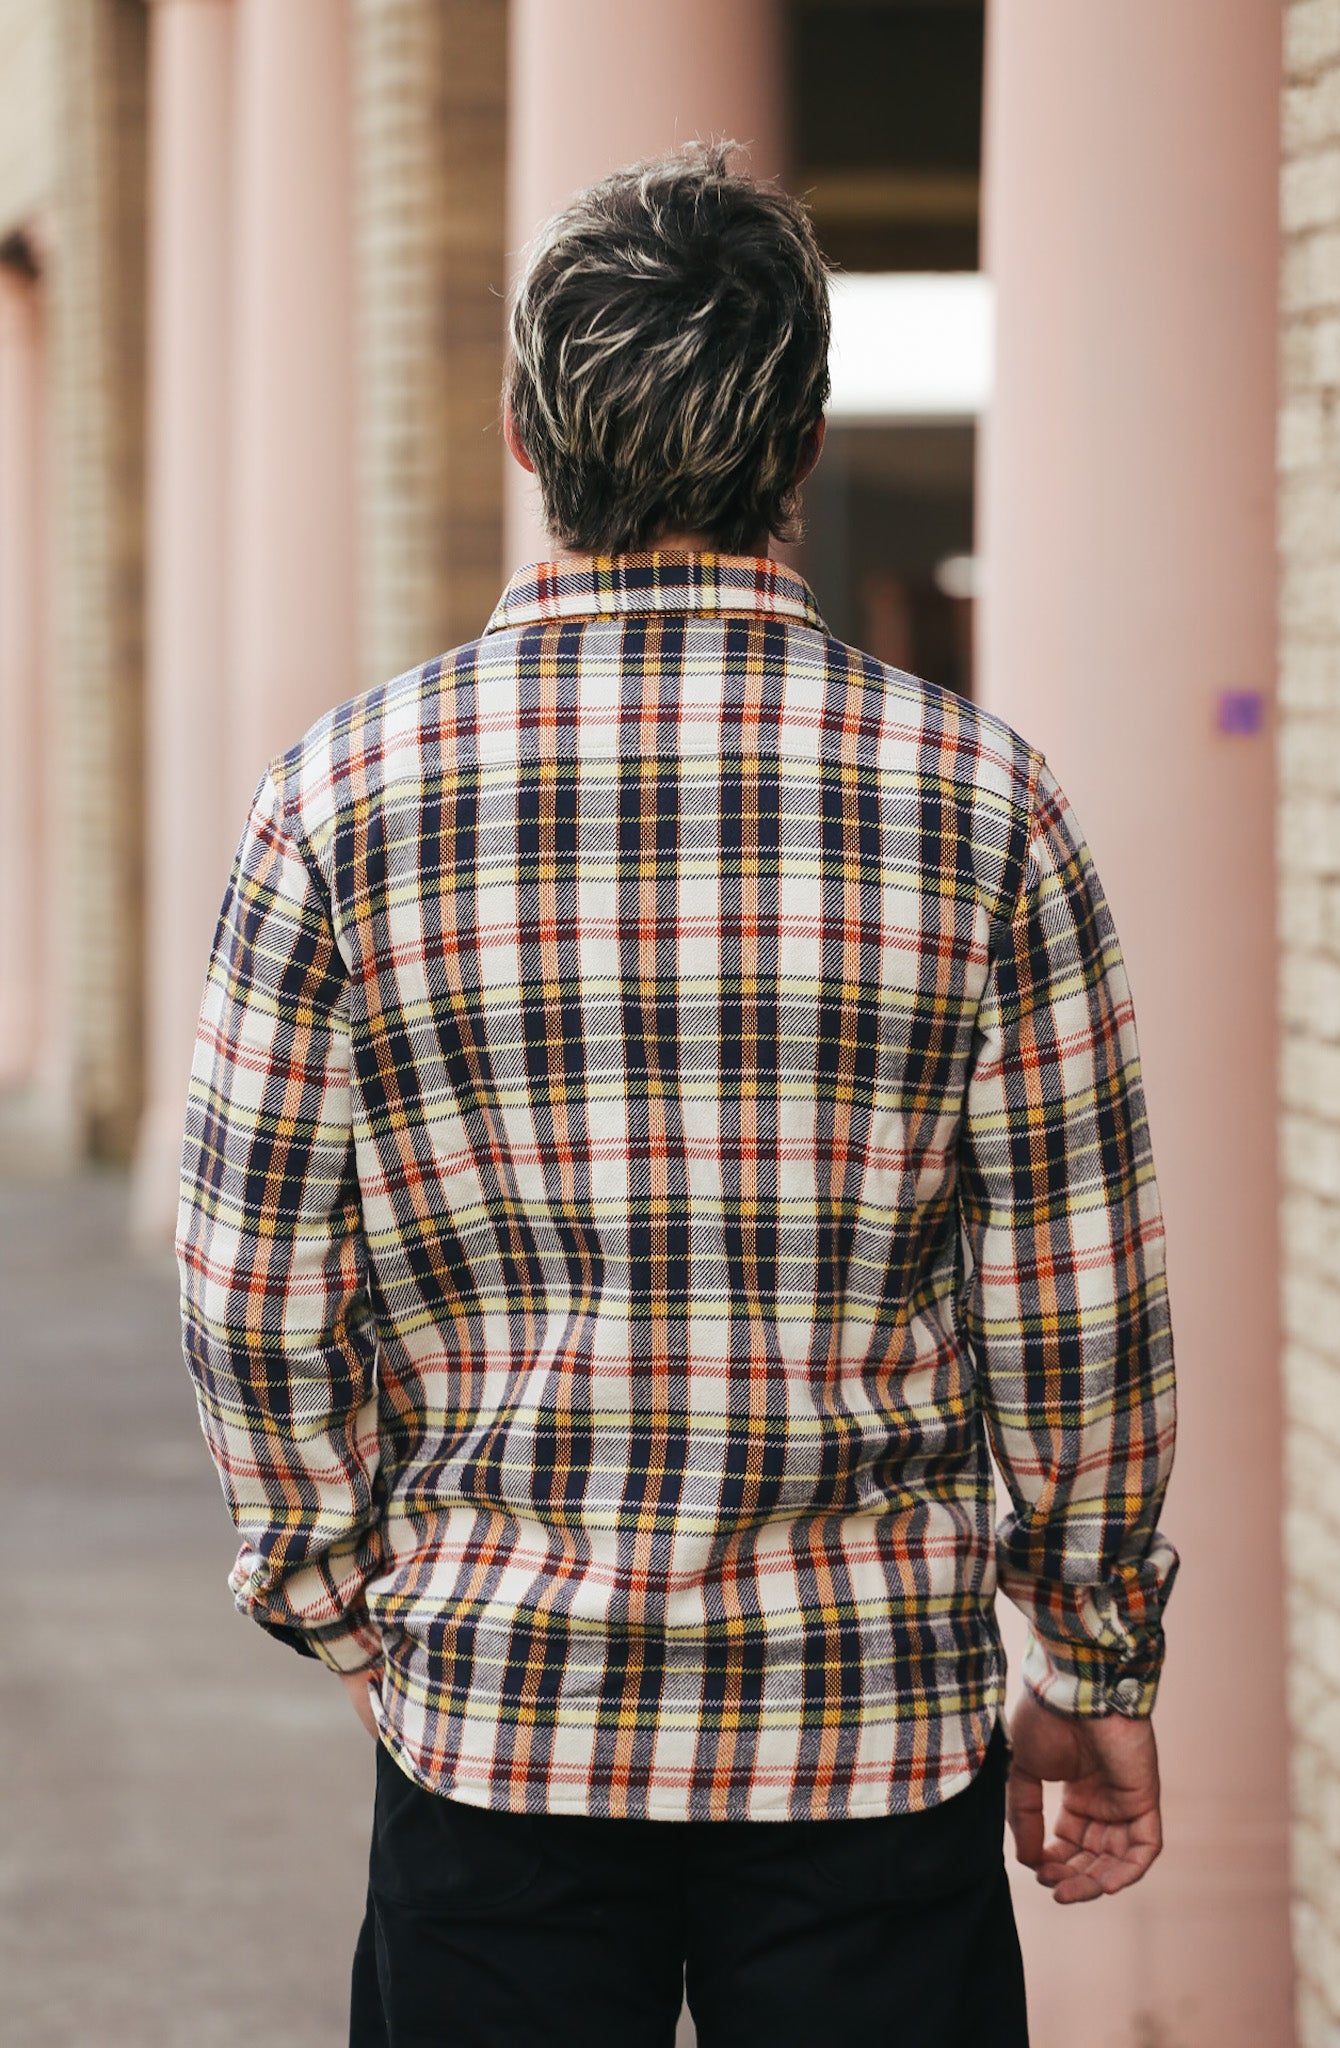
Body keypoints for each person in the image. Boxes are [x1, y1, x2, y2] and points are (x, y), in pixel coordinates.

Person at [177, 143, 1178, 2048]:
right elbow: (1074, 1304)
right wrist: (1093, 1646)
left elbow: (252, 1289)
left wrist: (345, 1605)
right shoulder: (982, 806)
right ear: (800, 442)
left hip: (497, 1719)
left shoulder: (341, 802)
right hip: (868, 1730)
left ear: (521, 438)